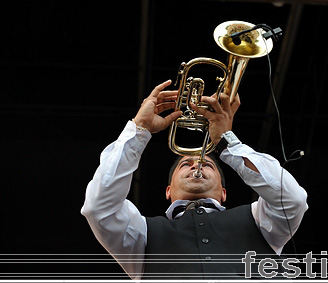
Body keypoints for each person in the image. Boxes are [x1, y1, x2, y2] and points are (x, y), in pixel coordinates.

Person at [81, 80, 308, 280]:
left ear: (224, 193)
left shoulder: (259, 220)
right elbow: (98, 207)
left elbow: (292, 199)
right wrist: (139, 130)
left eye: (208, 164)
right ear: (168, 191)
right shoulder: (142, 234)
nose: (196, 164)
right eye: (184, 164)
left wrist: (229, 144)